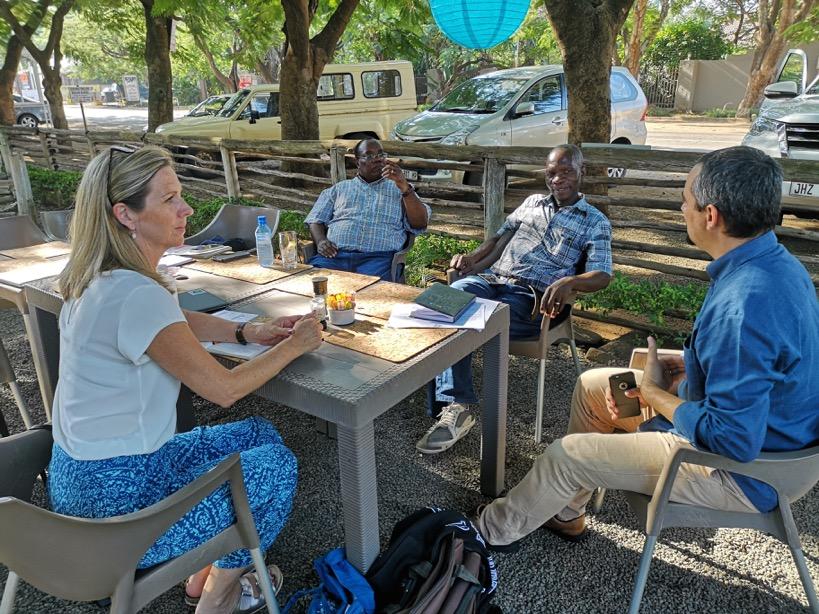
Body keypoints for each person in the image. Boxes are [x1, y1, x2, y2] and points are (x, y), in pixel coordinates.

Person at [474, 145, 819, 549]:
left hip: (743, 472)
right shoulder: (771, 263)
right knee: (594, 387)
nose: (681, 209)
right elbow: (759, 369)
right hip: (761, 435)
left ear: (712, 216)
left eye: (685, 201)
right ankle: (566, 512)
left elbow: (731, 440)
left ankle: (485, 534)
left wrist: (657, 395)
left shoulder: (744, 303)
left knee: (564, 457)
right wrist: (691, 369)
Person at [47, 145, 324, 614]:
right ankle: (219, 598)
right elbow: (224, 389)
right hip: (118, 510)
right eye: (169, 199)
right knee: (274, 466)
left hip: (79, 485)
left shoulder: (99, 278)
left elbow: (171, 324)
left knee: (259, 434)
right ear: (125, 214)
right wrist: (294, 345)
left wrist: (246, 330)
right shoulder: (136, 294)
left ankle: (205, 570)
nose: (187, 209)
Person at [416, 144, 612, 454]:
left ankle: (456, 406)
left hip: (529, 299)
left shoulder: (595, 221)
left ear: (582, 172)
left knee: (465, 315)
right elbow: (497, 239)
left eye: (566, 172)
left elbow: (603, 274)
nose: (557, 180)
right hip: (491, 280)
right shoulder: (532, 202)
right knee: (443, 302)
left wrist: (570, 281)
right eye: (551, 174)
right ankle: (452, 401)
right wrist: (471, 257)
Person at [304, 138, 431, 280]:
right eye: (369, 156)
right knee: (311, 285)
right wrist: (321, 241)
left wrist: (404, 187)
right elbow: (315, 219)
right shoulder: (340, 189)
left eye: (381, 155)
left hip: (378, 260)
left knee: (373, 294)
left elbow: (420, 223)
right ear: (357, 162)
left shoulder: (400, 189)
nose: (377, 160)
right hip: (335, 256)